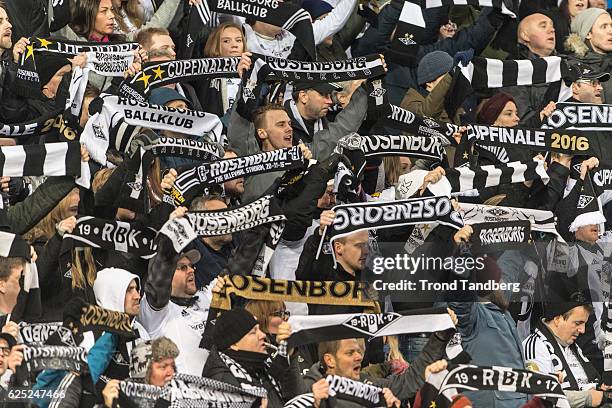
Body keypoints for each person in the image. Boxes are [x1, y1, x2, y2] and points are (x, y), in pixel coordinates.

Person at [203, 307, 308, 406]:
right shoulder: (224, 384)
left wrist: (287, 354)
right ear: (234, 344)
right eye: (253, 332)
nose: (262, 335)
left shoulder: (257, 365)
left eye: (259, 329)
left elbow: (295, 397)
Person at [302, 336, 450, 406]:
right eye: (350, 353)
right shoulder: (308, 390)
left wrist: (438, 338)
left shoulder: (368, 386)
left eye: (359, 352)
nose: (359, 357)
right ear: (330, 360)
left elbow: (407, 382)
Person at [523, 302, 611, 408]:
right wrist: (588, 398)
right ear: (557, 319)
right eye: (578, 323)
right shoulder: (536, 346)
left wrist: (599, 388)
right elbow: (539, 396)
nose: (582, 330)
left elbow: (584, 383)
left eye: (584, 324)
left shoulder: (572, 345)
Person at [101, 337, 179, 407]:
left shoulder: (179, 398)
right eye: (163, 367)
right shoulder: (121, 400)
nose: (171, 373)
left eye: (172, 366)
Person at [566, 8, 612, 103]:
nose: (610, 31)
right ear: (588, 34)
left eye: (611, 26)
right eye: (604, 27)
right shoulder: (570, 68)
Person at [188, 195, 234, 288]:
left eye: (229, 215)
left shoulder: (235, 246)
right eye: (220, 217)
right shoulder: (193, 259)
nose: (229, 221)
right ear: (200, 223)